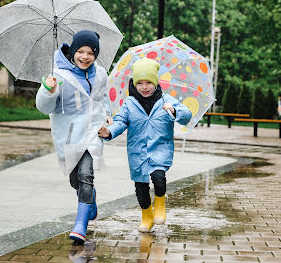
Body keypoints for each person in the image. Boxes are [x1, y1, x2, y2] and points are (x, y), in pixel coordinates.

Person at [98, 57, 192, 232]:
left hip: (160, 149)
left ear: (155, 82)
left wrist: (174, 110)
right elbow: (120, 121)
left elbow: (186, 114)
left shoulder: (166, 101)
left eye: (148, 82)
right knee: (141, 188)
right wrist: (109, 132)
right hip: (137, 152)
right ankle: (147, 215)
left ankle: (161, 205)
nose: (144, 87)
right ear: (134, 83)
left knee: (159, 178)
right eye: (139, 83)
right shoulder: (129, 103)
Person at [36, 30, 112, 244]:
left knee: (86, 175)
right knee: (75, 179)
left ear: (96, 54)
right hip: (68, 134)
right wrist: (47, 90)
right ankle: (91, 199)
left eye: (90, 52)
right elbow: (44, 107)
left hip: (92, 132)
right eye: (80, 51)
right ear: (73, 52)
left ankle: (80, 225)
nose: (85, 57)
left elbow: (102, 97)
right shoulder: (59, 75)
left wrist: (108, 115)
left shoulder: (100, 73)